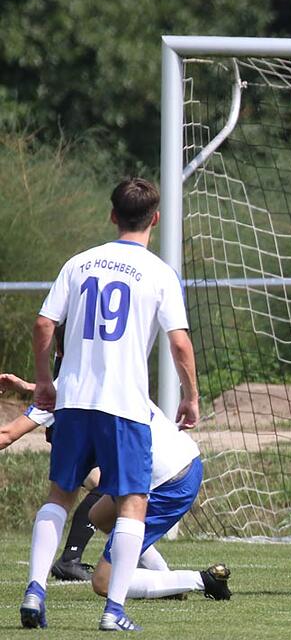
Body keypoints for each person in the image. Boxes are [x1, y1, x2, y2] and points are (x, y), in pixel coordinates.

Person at [21, 177, 200, 631]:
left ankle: (35, 590)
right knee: (133, 502)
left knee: (59, 495)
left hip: (76, 400)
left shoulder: (79, 263)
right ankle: (114, 610)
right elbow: (179, 344)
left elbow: (44, 325)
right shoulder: (159, 272)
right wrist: (190, 396)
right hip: (125, 405)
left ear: (112, 214)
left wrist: (45, 381)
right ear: (155, 219)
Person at [3, 374, 231, 601]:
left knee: (103, 582)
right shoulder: (110, 371)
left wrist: (33, 391)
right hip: (182, 460)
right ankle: (167, 581)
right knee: (99, 516)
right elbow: (66, 391)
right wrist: (29, 388)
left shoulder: (70, 387)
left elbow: (7, 435)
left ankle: (204, 580)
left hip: (166, 483)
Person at [1, 372, 101, 582]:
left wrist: (28, 387)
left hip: (82, 446)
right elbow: (7, 435)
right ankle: (68, 560)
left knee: (113, 494)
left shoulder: (74, 375)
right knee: (115, 494)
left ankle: (70, 560)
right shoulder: (73, 380)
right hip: (78, 446)